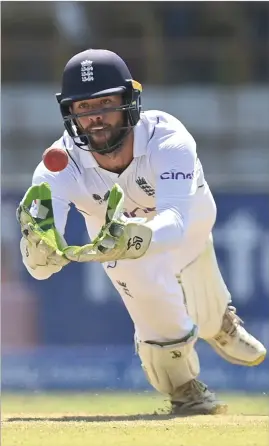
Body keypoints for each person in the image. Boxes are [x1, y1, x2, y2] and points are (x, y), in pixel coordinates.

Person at [18, 49, 266, 415]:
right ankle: (184, 390)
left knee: (196, 290)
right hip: (120, 246)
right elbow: (38, 268)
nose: (96, 117)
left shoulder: (168, 139)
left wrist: (133, 234)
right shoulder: (58, 164)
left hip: (190, 225)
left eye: (106, 102)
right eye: (84, 108)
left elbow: (177, 224)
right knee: (141, 285)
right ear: (70, 113)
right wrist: (41, 252)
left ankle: (218, 322)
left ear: (129, 101)